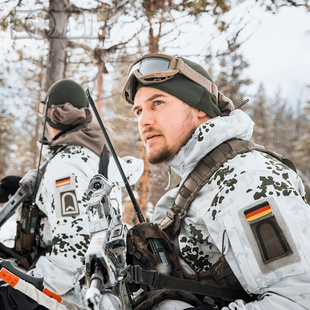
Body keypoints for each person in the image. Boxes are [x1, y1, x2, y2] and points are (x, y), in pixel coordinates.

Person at [121, 53, 310, 309]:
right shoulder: (200, 179)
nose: (144, 120)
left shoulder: (247, 178)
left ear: (199, 108)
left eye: (158, 103)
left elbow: (296, 299)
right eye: (139, 110)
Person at [0, 79, 143, 309]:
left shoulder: (65, 167)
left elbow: (73, 254)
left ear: (53, 117)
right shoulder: (93, 154)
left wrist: (19, 294)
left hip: (68, 296)